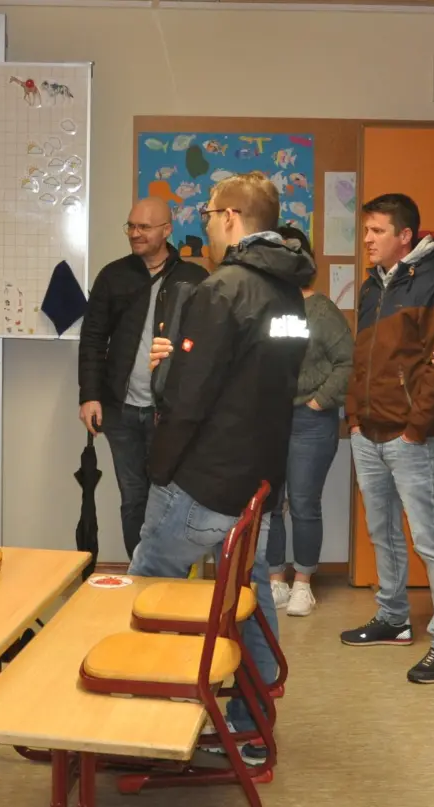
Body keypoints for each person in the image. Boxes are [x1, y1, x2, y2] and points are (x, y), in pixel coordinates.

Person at [132, 172, 313, 765]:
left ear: (232, 217)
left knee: (145, 584)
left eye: (209, 215)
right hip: (256, 478)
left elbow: (186, 398)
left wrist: (164, 369)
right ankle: (252, 727)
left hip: (206, 477)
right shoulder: (288, 292)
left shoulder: (224, 289)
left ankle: (135, 721)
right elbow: (259, 379)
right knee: (249, 592)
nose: (204, 226)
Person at [340, 193, 434, 685]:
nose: (367, 240)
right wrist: (354, 417)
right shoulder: (375, 286)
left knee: (430, 540)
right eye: (366, 231)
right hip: (367, 431)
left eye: (376, 231)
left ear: (404, 237)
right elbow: (361, 357)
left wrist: (417, 428)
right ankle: (393, 617)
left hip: (412, 437)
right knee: (383, 533)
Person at [77, 197, 206, 560]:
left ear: (167, 230)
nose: (135, 234)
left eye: (144, 227)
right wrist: (89, 395)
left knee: (168, 496)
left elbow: (206, 350)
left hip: (169, 413)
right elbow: (92, 338)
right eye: (131, 226)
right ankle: (140, 573)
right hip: (120, 411)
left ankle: (169, 573)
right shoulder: (113, 276)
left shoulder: (195, 279)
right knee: (133, 497)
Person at [265, 225, 352, 618]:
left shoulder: (320, 309)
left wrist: (320, 401)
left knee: (302, 503)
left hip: (310, 421)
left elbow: (348, 362)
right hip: (269, 418)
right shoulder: (261, 305)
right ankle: (274, 579)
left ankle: (303, 582)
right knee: (269, 503)